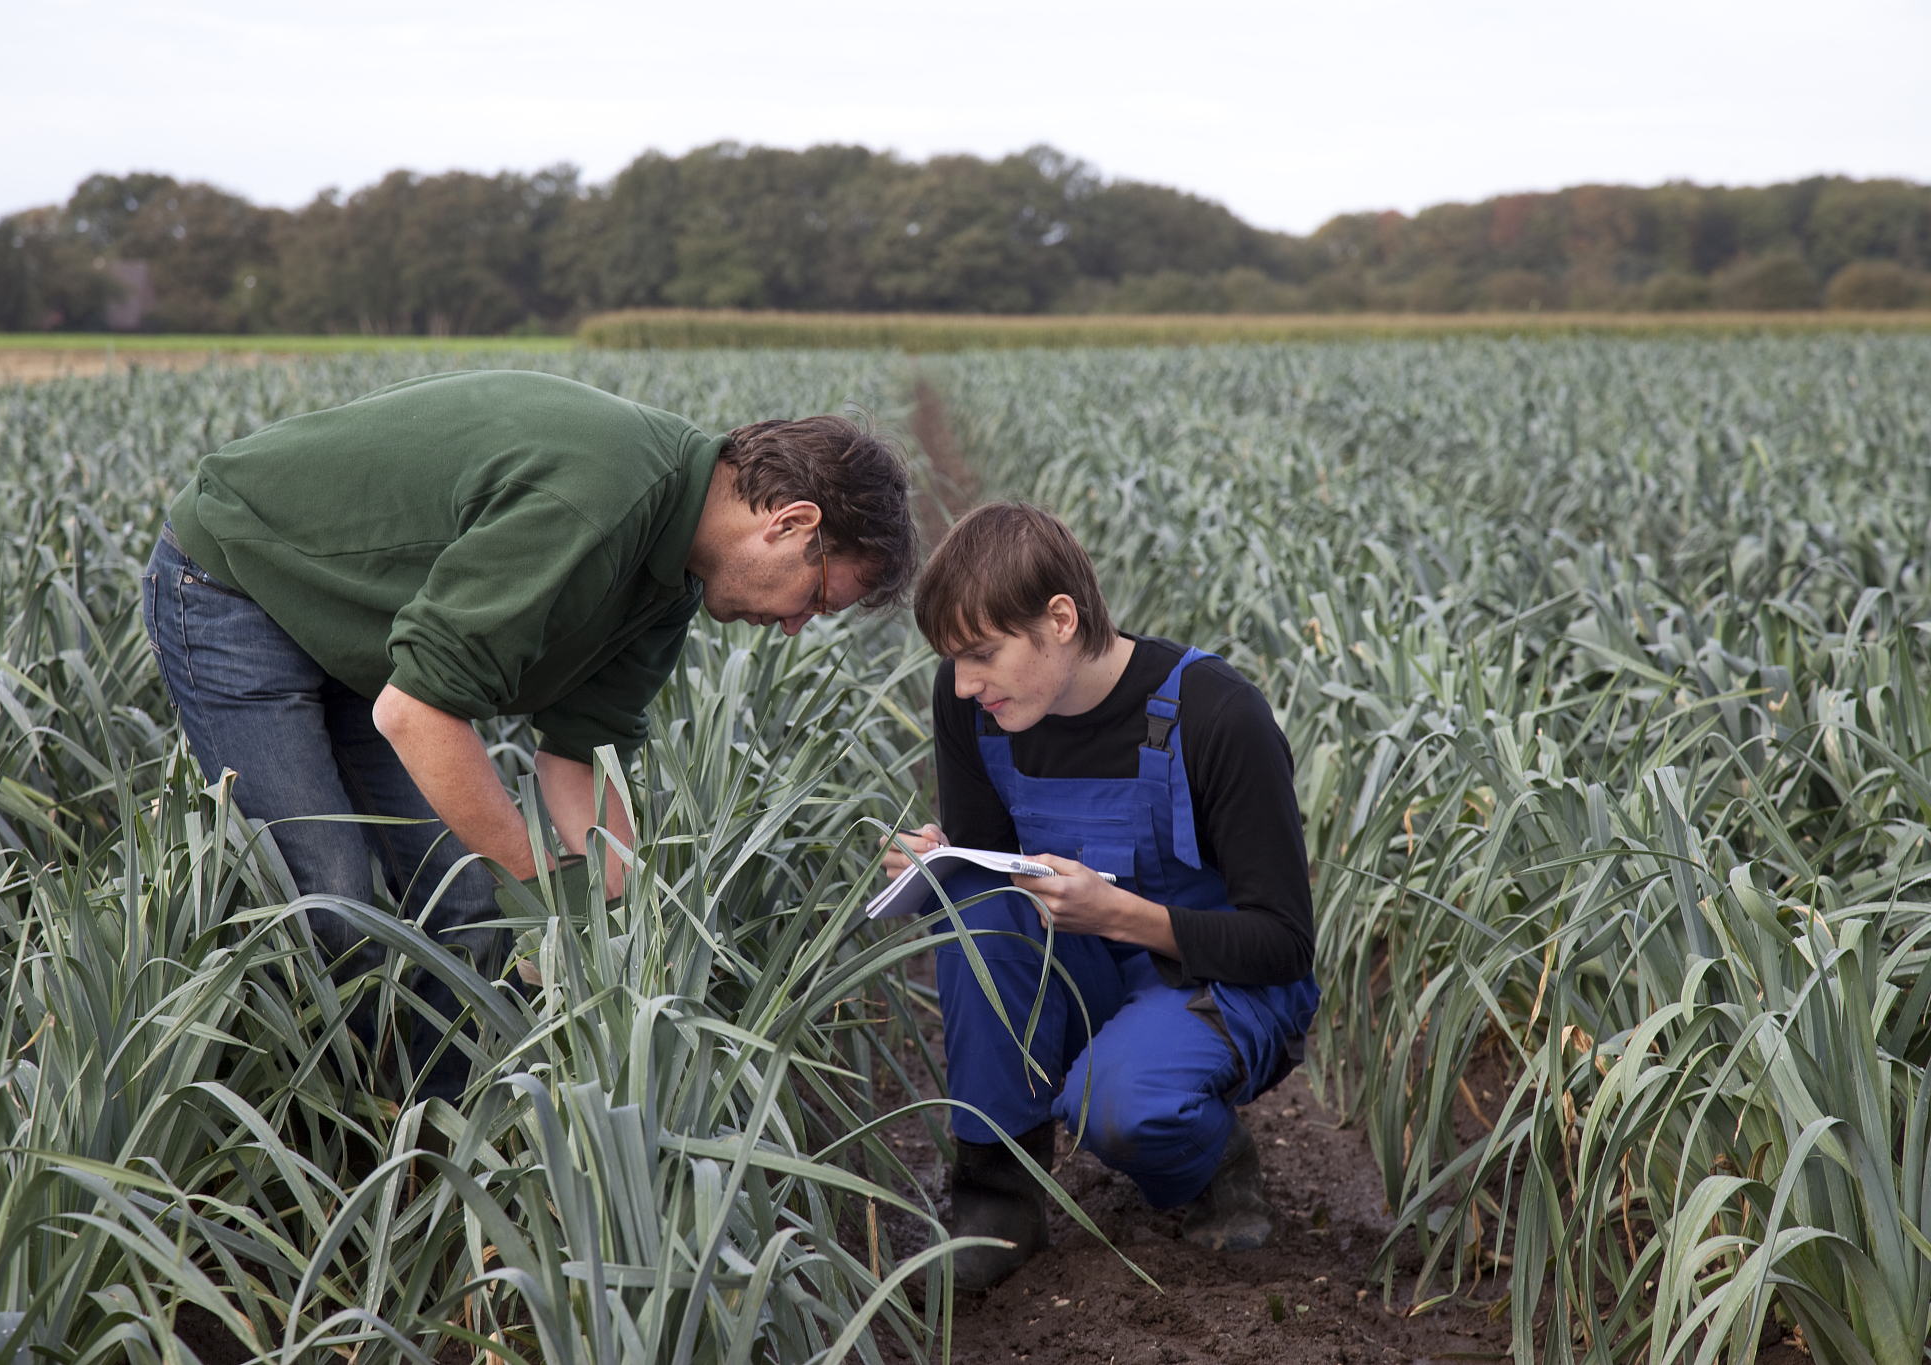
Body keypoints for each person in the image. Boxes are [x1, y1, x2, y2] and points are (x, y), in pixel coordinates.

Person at [144, 368, 915, 1099]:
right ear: (791, 523)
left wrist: (628, 925)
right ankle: (325, 1146)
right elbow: (416, 711)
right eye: (816, 597)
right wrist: (542, 894)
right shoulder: (602, 502)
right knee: (333, 904)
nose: (796, 625)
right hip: (239, 580)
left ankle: (436, 1138)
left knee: (470, 903)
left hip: (366, 633)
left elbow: (580, 756)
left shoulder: (670, 580)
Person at [883, 501, 1316, 1289]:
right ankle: (997, 1202)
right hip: (1080, 959)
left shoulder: (1217, 714)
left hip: (1218, 981)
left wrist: (1121, 915)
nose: (966, 682)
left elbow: (1284, 943)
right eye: (954, 660)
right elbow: (995, 874)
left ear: (1060, 619)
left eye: (983, 653)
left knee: (1116, 1105)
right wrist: (943, 856)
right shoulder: (973, 705)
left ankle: (1216, 1158)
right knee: (973, 900)